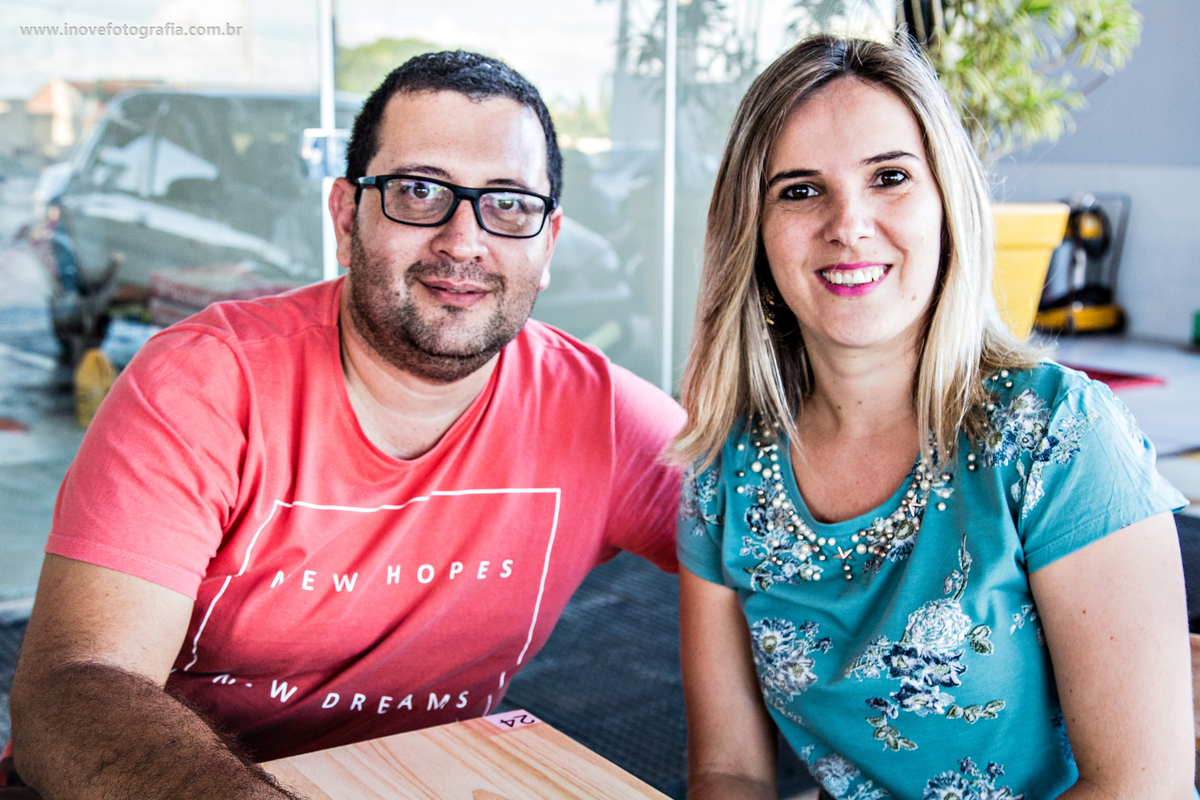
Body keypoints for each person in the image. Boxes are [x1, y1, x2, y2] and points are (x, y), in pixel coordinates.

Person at [5, 51, 685, 799]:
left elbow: (775, 557)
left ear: (547, 243)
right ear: (343, 216)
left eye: (509, 204)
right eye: (418, 191)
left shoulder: (603, 417)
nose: (464, 241)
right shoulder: (204, 383)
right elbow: (72, 688)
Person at [672, 35, 1194, 800]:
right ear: (752, 232)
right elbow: (728, 771)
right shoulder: (725, 467)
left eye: (889, 177)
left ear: (949, 204)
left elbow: (1141, 789)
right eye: (800, 190)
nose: (848, 223)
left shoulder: (1058, 434)